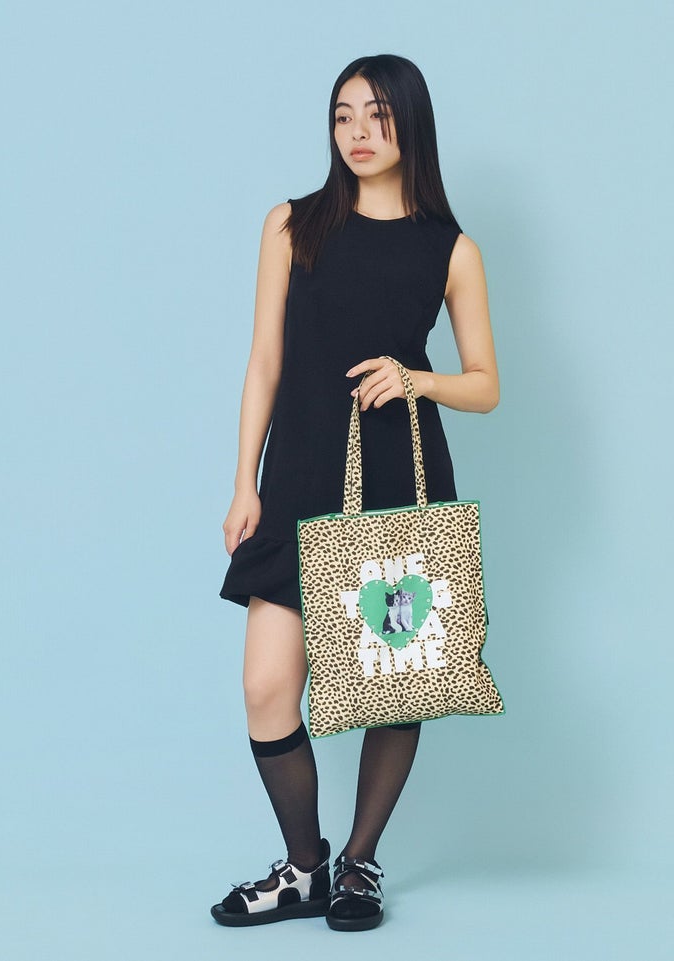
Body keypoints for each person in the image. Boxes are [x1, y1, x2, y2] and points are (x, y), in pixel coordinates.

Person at [211, 53, 499, 932]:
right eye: (343, 116)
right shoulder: (292, 224)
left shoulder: (450, 249)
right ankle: (305, 866)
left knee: (396, 683)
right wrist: (243, 482)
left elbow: (485, 384)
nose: (358, 133)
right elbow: (264, 361)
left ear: (411, 123)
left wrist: (418, 379)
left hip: (397, 482)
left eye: (377, 115)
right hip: (297, 476)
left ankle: (360, 864)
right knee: (267, 684)